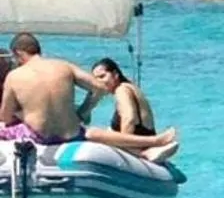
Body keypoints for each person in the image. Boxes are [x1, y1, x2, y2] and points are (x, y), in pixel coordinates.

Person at [0, 33, 177, 157]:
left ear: (18, 53)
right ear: (39, 49)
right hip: (70, 133)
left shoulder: (14, 76)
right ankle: (155, 141)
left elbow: (5, 118)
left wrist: (21, 113)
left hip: (39, 136)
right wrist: (83, 111)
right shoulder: (64, 66)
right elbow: (99, 88)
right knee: (93, 133)